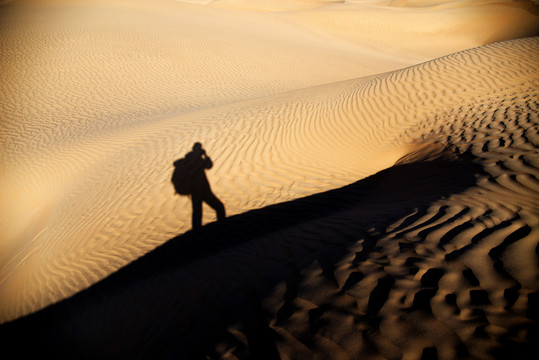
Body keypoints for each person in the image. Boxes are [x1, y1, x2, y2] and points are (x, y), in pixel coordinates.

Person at [172, 142, 226, 230]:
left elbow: (209, 165)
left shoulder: (196, 160)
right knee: (217, 208)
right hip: (200, 192)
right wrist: (203, 156)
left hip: (201, 192)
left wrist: (205, 155)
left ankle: (200, 233)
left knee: (198, 213)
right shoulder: (192, 161)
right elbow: (208, 165)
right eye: (199, 149)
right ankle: (221, 229)